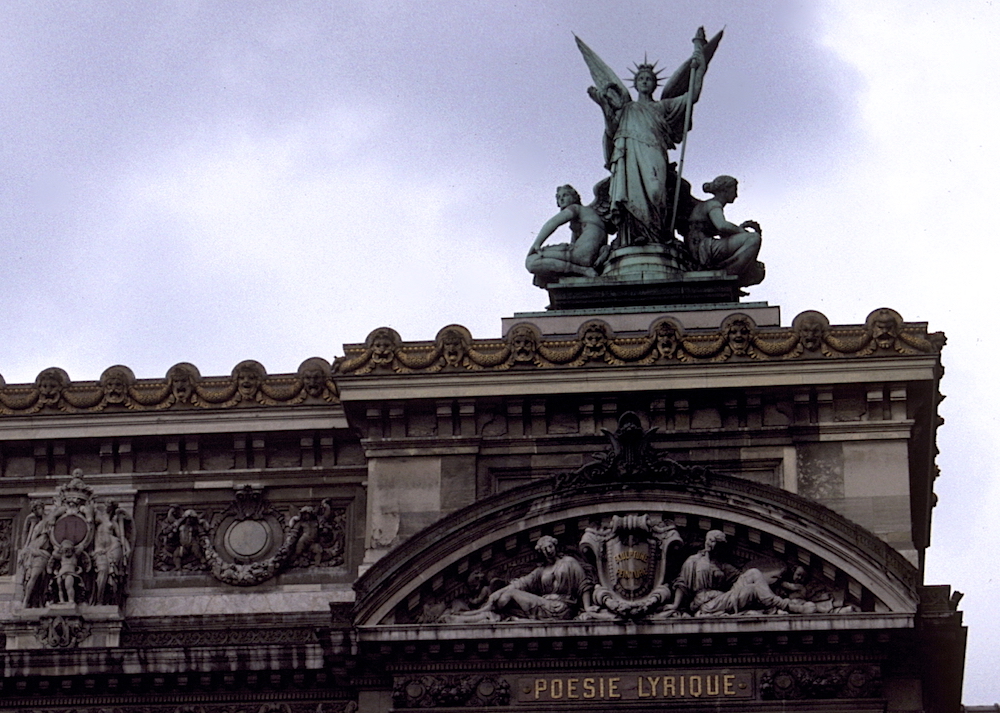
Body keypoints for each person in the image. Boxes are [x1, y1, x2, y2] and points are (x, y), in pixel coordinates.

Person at [582, 34, 708, 246]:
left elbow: (692, 95)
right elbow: (611, 130)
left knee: (656, 190)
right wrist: (603, 106)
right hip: (629, 152)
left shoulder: (663, 106)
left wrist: (699, 60)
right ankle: (637, 235)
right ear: (635, 84)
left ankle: (656, 234)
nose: (644, 82)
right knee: (631, 196)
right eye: (641, 79)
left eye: (648, 79)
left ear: (654, 84)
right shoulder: (627, 108)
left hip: (654, 151)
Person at [443, 536, 594, 622]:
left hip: (562, 609)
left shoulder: (569, 562)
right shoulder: (541, 571)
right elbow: (520, 583)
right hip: (546, 606)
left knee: (510, 595)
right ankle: (471, 617)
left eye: (550, 547)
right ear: (540, 552)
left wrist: (587, 609)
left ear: (554, 545)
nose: (548, 551)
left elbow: (584, 585)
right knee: (505, 608)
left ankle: (475, 612)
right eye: (544, 549)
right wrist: (498, 593)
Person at [684, 175, 764, 286]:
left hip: (700, 246)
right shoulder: (713, 204)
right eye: (734, 190)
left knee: (751, 239)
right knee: (753, 238)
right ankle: (729, 272)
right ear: (725, 190)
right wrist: (742, 231)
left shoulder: (709, 204)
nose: (736, 195)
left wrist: (740, 230)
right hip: (703, 248)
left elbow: (723, 232)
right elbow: (722, 226)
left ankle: (730, 271)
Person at [525, 185, 609, 287]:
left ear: (575, 197)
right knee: (539, 272)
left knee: (531, 261)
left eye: (565, 195)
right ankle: (580, 270)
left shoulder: (576, 208)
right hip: (591, 257)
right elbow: (574, 243)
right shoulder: (586, 217)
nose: (561, 199)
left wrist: (536, 244)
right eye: (558, 197)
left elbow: (553, 222)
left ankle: (581, 270)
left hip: (581, 256)